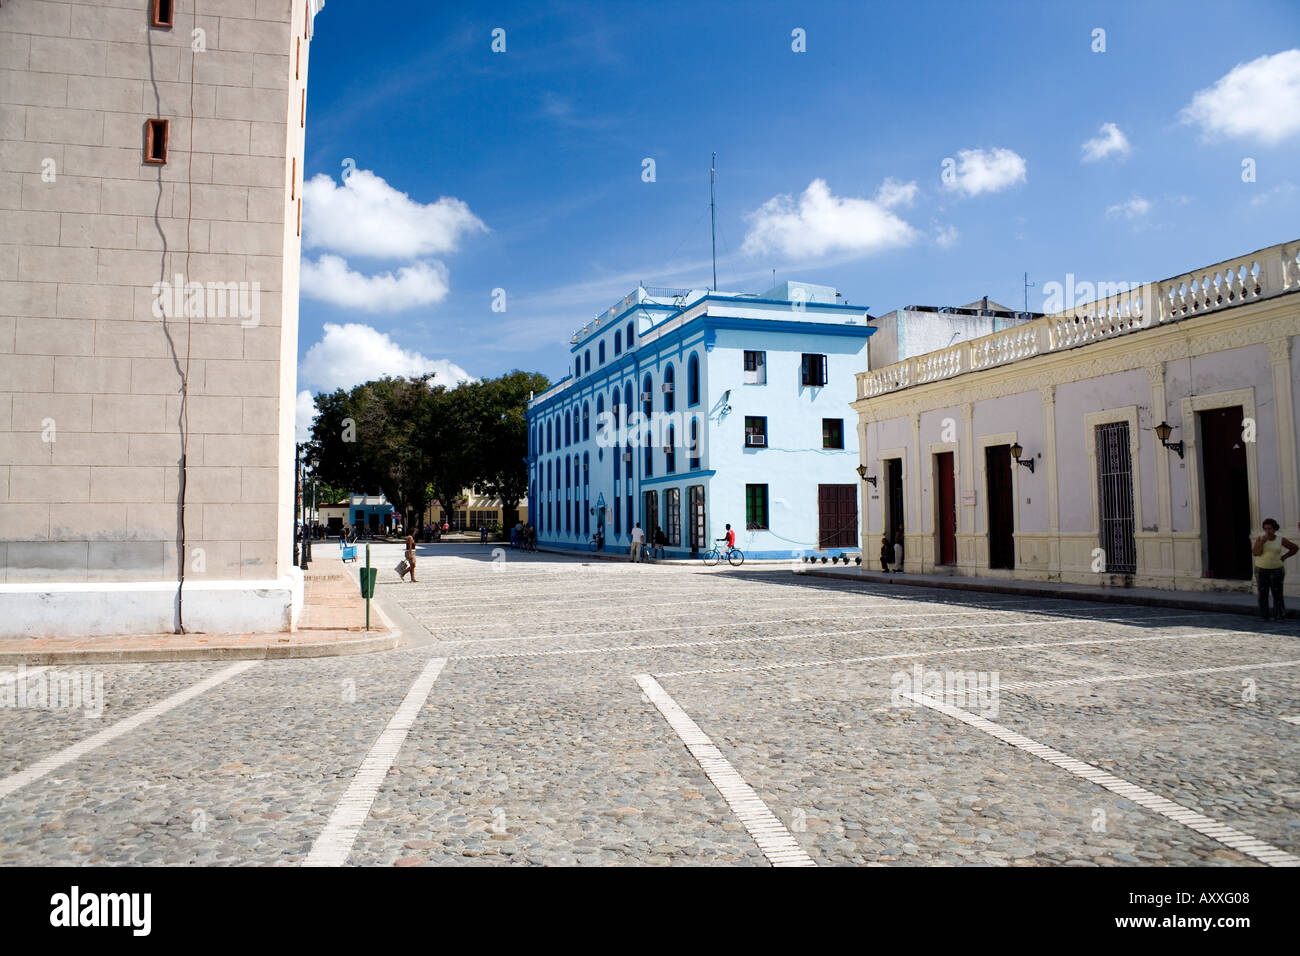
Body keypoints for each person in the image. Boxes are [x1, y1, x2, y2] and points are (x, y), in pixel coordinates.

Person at [1252, 518, 1296, 621]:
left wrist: (1284, 557)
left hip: (1277, 570)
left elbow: (1294, 548)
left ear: (1274, 529)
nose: (1268, 531)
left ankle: (1279, 615)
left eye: (1270, 528)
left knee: (1277, 593)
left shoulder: (1280, 539)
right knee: (1263, 593)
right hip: (1261, 569)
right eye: (1265, 528)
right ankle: (1264, 615)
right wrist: (1261, 543)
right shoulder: (1260, 539)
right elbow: (1255, 553)